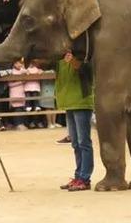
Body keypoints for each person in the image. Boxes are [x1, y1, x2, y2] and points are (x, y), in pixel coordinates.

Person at [57, 51, 94, 191]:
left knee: (84, 142)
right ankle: (78, 176)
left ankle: (85, 178)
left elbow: (87, 72)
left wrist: (72, 61)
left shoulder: (84, 56)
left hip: (82, 102)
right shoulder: (59, 59)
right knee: (75, 143)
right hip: (69, 103)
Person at [6, 59, 28, 131]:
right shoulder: (11, 72)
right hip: (14, 92)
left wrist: (25, 71)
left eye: (21, 63)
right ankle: (18, 124)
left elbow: (27, 72)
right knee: (17, 109)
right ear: (14, 64)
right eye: (18, 63)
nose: (20, 65)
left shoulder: (21, 70)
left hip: (21, 92)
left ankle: (21, 124)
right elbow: (10, 84)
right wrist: (21, 82)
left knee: (21, 108)